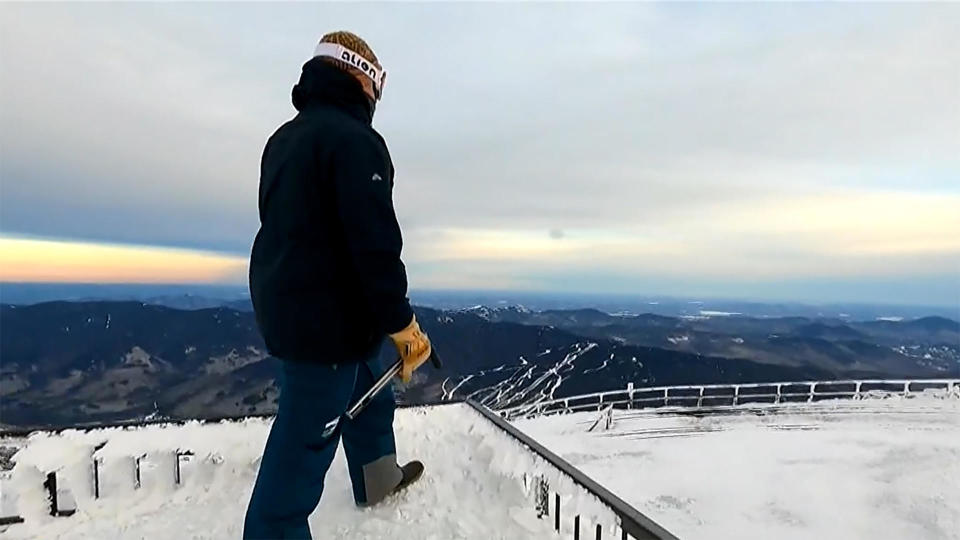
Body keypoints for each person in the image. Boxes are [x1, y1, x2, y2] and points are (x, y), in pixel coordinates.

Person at [244, 31, 433, 539]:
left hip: (295, 305)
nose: (379, 96)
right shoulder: (357, 143)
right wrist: (403, 323)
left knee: (369, 386)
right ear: (361, 77)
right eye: (379, 83)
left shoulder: (285, 138)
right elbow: (373, 245)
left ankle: (376, 477)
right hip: (322, 324)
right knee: (302, 445)